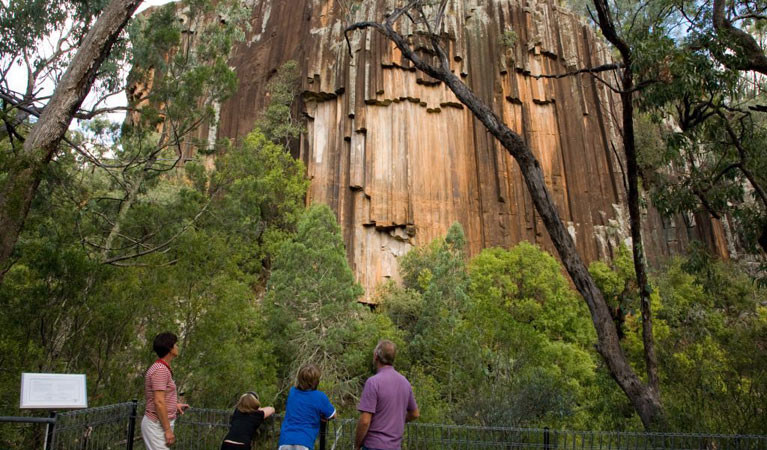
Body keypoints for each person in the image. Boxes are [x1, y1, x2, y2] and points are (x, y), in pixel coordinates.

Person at [355, 340, 419, 450]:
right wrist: (395, 421)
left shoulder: (373, 382)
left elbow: (365, 421)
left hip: (373, 445)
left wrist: (356, 445)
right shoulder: (405, 383)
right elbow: (415, 414)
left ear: (376, 356)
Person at [141, 332, 190, 449]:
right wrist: (167, 430)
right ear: (169, 348)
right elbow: (158, 402)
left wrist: (174, 405)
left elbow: (163, 396)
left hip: (161, 424)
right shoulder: (160, 370)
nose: (177, 347)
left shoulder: (163, 368)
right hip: (156, 425)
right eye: (175, 344)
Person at [277, 364, 336, 450]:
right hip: (304, 440)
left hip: (285, 439)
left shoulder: (292, 392)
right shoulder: (320, 397)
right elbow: (332, 415)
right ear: (316, 381)